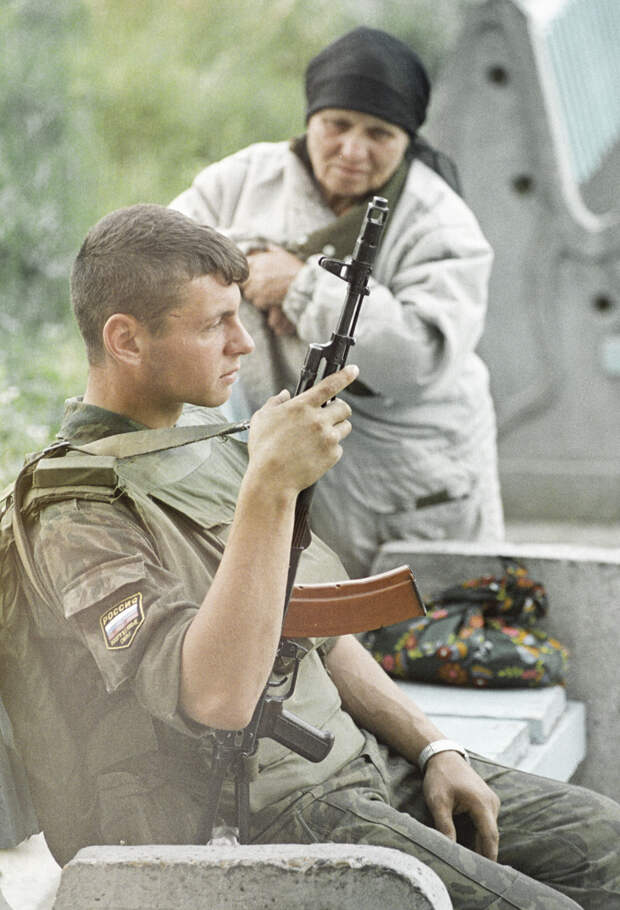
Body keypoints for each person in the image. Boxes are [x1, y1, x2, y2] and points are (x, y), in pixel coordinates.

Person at [2, 204, 619, 910]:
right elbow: (215, 697)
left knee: (605, 842)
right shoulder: (76, 509)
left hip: (351, 762)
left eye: (239, 316)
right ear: (127, 341)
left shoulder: (208, 444)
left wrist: (433, 748)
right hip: (255, 816)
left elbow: (318, 631)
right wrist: (270, 486)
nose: (242, 343)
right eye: (213, 325)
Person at [169, 26, 505, 578]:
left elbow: (417, 359)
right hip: (285, 459)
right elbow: (161, 259)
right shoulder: (243, 180)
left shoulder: (441, 222)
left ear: (408, 140)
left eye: (379, 133)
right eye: (337, 125)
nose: (353, 150)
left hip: (408, 481)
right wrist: (249, 264)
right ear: (309, 120)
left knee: (414, 638)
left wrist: (303, 288)